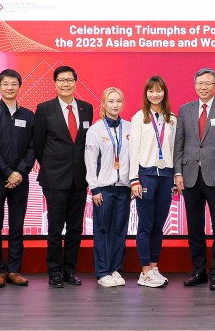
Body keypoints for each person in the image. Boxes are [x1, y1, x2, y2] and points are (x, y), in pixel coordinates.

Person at [174, 67, 215, 291]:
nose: (203, 87)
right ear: (194, 85)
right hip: (190, 176)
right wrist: (178, 172)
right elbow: (178, 144)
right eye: (200, 83)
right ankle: (199, 270)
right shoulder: (185, 109)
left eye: (208, 83)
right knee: (195, 227)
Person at [33, 65, 94, 288]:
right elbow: (38, 145)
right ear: (55, 83)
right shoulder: (44, 108)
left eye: (69, 80)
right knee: (55, 229)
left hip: (80, 178)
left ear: (76, 82)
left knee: (76, 229)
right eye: (61, 80)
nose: (65, 84)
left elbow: (86, 143)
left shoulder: (87, 108)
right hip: (54, 178)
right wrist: (51, 166)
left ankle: (70, 271)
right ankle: (55, 272)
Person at [0, 69, 36, 288]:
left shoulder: (28, 116)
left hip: (20, 179)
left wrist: (19, 173)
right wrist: (7, 172)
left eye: (14, 84)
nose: (10, 87)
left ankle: (13, 269)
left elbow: (33, 148)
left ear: (19, 87)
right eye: (5, 84)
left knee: (17, 225)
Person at [129, 76, 176, 288]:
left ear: (164, 93)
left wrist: (176, 177)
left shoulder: (172, 119)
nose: (155, 94)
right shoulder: (139, 118)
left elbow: (176, 150)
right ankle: (144, 270)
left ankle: (154, 268)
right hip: (146, 175)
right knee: (145, 225)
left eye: (159, 91)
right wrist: (134, 180)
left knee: (159, 226)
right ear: (146, 94)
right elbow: (133, 151)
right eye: (151, 91)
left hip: (166, 176)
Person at [85, 87, 132, 287]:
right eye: (111, 101)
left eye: (118, 101)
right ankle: (103, 271)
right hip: (103, 189)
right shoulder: (96, 129)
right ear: (103, 104)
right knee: (103, 230)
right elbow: (89, 160)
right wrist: (94, 188)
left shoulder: (130, 127)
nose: (115, 105)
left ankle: (115, 268)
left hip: (124, 188)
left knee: (120, 230)